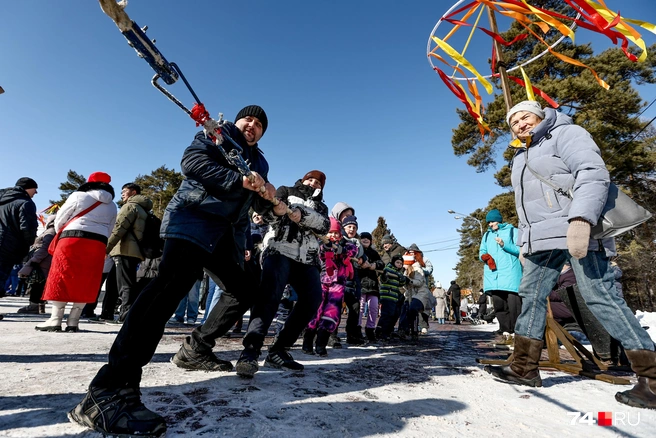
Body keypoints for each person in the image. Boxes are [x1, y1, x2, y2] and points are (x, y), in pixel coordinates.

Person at [70, 105, 278, 437]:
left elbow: (250, 202)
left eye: (259, 123)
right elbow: (193, 164)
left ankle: (195, 349)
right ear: (238, 121)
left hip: (225, 236)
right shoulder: (218, 134)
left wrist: (269, 200)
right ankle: (109, 390)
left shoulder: (260, 162)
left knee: (243, 288)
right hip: (194, 218)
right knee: (169, 287)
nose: (252, 124)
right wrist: (239, 180)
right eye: (248, 119)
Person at [485, 100, 656, 410]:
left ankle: (652, 378)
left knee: (599, 295)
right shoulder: (521, 157)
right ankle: (524, 367)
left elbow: (592, 173)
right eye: (514, 123)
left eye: (526, 117)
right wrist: (526, 244)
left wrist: (581, 219)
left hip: (578, 228)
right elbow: (526, 210)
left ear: (541, 115)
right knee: (531, 295)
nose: (521, 124)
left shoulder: (567, 134)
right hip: (542, 239)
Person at [231, 170, 330, 377]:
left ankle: (279, 349)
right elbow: (267, 215)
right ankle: (250, 350)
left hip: (307, 257)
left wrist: (301, 214)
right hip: (279, 249)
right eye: (310, 179)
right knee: (270, 296)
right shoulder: (286, 191)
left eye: (318, 182)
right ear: (303, 180)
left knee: (313, 299)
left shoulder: (321, 206)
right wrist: (278, 211)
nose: (313, 183)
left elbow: (324, 226)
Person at [36, 172, 117, 332]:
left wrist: (61, 233)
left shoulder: (78, 196)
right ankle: (74, 321)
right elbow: (111, 227)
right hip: (97, 242)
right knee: (87, 278)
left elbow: (60, 218)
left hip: (72, 238)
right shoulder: (112, 205)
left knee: (62, 275)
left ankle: (55, 319)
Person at [303, 218, 358, 356]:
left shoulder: (346, 244)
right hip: (321, 282)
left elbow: (353, 251)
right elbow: (316, 253)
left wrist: (341, 249)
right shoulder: (320, 244)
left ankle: (321, 343)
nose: (333, 236)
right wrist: (325, 247)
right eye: (330, 232)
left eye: (336, 233)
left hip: (338, 285)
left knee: (332, 313)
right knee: (316, 311)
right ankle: (308, 341)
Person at [106, 182, 153, 323]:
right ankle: (116, 314)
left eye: (124, 191)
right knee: (121, 283)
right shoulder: (143, 209)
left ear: (133, 192)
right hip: (134, 251)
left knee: (125, 284)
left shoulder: (130, 206)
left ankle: (126, 317)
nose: (122, 194)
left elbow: (119, 228)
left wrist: (106, 248)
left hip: (124, 250)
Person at [479, 209, 522, 336]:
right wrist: (483, 257)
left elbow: (520, 250)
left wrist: (504, 245)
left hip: (510, 275)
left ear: (498, 220)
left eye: (492, 221)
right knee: (499, 306)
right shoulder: (486, 236)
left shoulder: (512, 231)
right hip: (494, 276)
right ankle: (505, 331)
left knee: (514, 307)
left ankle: (517, 332)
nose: (490, 224)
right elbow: (482, 251)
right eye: (488, 222)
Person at [0, 178, 38, 311]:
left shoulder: (2, 200)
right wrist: (29, 242)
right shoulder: (26, 203)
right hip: (8, 245)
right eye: (35, 188)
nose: (36, 192)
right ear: (27, 188)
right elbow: (27, 227)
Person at [16, 214, 57, 314]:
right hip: (45, 262)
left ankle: (33, 306)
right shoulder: (54, 231)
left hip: (41, 262)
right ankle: (40, 307)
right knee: (41, 284)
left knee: (36, 284)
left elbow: (45, 248)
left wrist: (34, 260)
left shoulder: (50, 232)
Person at [402, 244, 436, 341]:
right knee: (407, 309)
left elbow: (427, 272)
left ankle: (422, 327)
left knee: (418, 309)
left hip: (421, 290)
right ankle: (410, 330)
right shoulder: (406, 267)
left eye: (413, 252)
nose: (411, 253)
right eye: (410, 252)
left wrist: (411, 277)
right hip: (410, 293)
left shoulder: (420, 263)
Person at [358, 231, 384, 342]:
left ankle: (370, 329)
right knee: (360, 308)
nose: (365, 240)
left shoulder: (374, 253)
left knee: (373, 308)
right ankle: (357, 329)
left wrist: (374, 265)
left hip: (373, 286)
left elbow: (381, 264)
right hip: (361, 284)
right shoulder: (357, 251)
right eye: (363, 238)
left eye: (367, 239)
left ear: (371, 241)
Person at [375, 254, 407, 341]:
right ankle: (381, 331)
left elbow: (401, 284)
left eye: (401, 263)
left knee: (393, 314)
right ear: (393, 262)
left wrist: (403, 278)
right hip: (387, 295)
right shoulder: (388, 269)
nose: (399, 265)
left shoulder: (398, 273)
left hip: (394, 297)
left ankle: (387, 331)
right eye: (397, 262)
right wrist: (385, 276)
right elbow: (383, 279)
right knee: (386, 315)